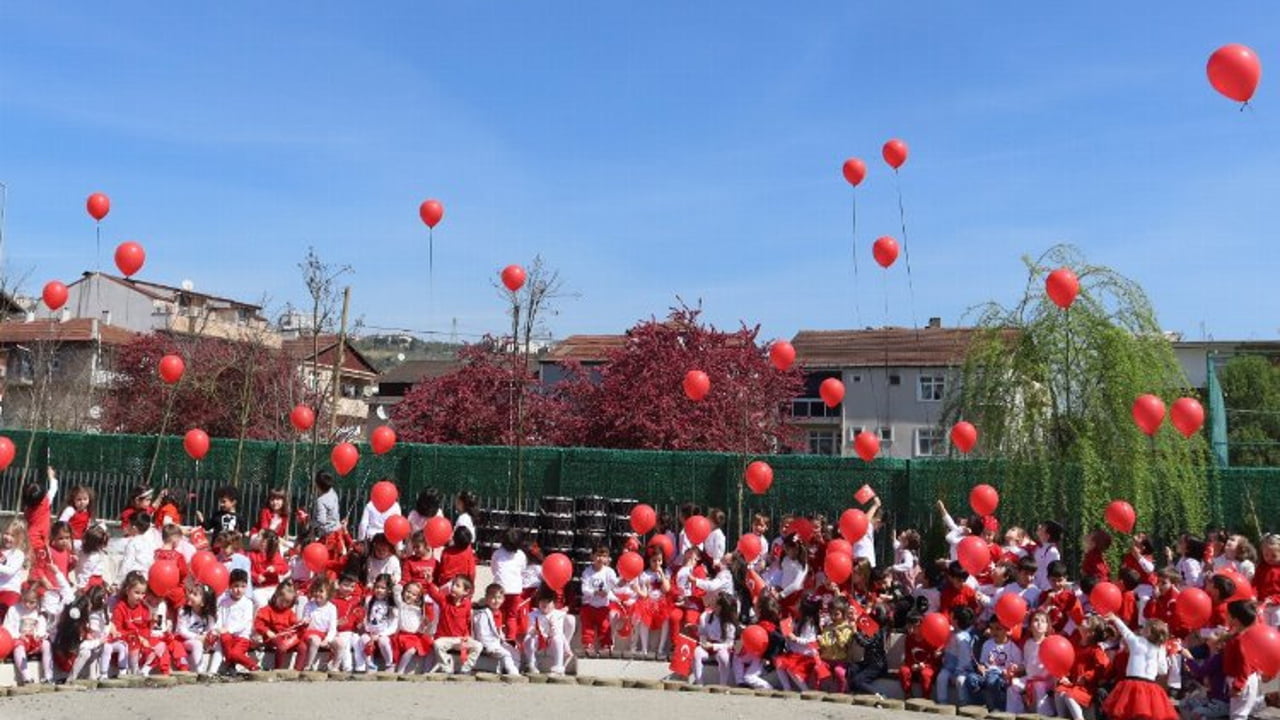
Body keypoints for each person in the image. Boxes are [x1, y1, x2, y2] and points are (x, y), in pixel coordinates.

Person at [1102, 614, 1177, 720]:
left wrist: (1116, 619)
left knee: (1127, 713)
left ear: (1149, 631)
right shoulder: (1159, 649)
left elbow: (1126, 632)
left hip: (1132, 685)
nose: (1142, 629)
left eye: (1144, 627)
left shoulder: (1137, 642)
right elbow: (1163, 670)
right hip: (1151, 688)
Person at [425, 574, 481, 674]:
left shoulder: (467, 604)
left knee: (478, 646)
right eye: (453, 584)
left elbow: (468, 622)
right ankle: (447, 667)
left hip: (460, 639)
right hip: (445, 638)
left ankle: (466, 668)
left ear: (466, 591)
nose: (453, 587)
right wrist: (429, 582)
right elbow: (434, 594)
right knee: (437, 644)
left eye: (457, 586)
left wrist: (467, 636)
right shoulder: (444, 600)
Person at [774, 596, 827, 692]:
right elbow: (791, 631)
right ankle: (787, 688)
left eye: (799, 604)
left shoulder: (810, 623)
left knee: (792, 670)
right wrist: (787, 631)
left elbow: (810, 641)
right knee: (779, 662)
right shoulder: (798, 620)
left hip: (806, 654)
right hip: (795, 652)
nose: (797, 605)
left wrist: (795, 639)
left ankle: (805, 690)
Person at [1223, 600, 1264, 720]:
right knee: (1238, 713)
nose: (1226, 616)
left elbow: (1245, 664)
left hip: (1242, 680)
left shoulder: (1241, 640)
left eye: (1228, 614)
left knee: (1238, 716)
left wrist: (1238, 686)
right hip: (1242, 679)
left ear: (1235, 620)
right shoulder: (1241, 635)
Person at [1008, 610, 1054, 714]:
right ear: (1030, 626)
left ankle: (1045, 714)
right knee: (1013, 687)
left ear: (1047, 626)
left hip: (1046, 680)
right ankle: (1016, 713)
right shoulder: (1028, 643)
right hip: (1030, 678)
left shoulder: (1050, 643)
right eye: (1036, 620)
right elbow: (1026, 663)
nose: (1039, 623)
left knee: (1038, 687)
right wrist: (1017, 667)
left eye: (1043, 621)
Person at [3, 585, 52, 684]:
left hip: (33, 640)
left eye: (32, 602)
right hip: (19, 639)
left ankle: (48, 676)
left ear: (37, 601)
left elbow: (42, 627)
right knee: (19, 647)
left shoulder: (39, 612)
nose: (28, 605)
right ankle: (27, 677)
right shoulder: (14, 609)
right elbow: (7, 627)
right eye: (25, 601)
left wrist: (39, 634)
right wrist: (18, 635)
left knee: (46, 644)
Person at [216, 569, 260, 673]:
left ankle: (253, 666)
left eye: (243, 586)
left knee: (235, 653)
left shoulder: (247, 603)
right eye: (236, 586)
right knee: (225, 637)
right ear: (230, 586)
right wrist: (217, 630)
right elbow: (220, 619)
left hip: (242, 637)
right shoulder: (224, 602)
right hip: (228, 636)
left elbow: (244, 623)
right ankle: (231, 666)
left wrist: (228, 630)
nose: (239, 590)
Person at [579, 545, 618, 657]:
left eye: (604, 556)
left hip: (603, 606)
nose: (600, 559)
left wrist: (609, 591)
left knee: (605, 626)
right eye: (598, 555)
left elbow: (614, 584)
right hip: (589, 605)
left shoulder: (609, 572)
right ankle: (588, 645)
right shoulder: (587, 572)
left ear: (607, 559)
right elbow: (584, 589)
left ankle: (606, 646)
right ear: (592, 556)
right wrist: (595, 592)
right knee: (587, 626)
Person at [473, 583, 521, 676]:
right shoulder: (482, 614)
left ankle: (511, 669)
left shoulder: (499, 613)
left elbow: (498, 631)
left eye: (499, 598)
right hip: (487, 644)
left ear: (503, 600)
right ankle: (513, 674)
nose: (496, 601)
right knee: (505, 654)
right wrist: (490, 645)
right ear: (487, 599)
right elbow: (482, 633)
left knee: (515, 652)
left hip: (497, 642)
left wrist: (504, 640)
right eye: (493, 598)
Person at [490, 529, 528, 643]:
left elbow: (494, 569)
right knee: (512, 617)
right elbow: (523, 569)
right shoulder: (521, 555)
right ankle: (511, 640)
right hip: (515, 590)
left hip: (500, 588)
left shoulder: (497, 554)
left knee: (498, 613)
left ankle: (496, 638)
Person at [109, 573, 151, 676]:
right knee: (133, 640)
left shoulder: (144, 608)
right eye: (137, 593)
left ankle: (145, 670)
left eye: (143, 593)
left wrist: (144, 637)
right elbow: (117, 630)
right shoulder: (120, 608)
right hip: (126, 642)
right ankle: (133, 669)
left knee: (161, 646)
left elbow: (146, 628)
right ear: (127, 591)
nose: (140, 597)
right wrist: (136, 636)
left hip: (141, 643)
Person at [523, 587, 571, 676]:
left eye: (548, 602)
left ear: (554, 604)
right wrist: (532, 631)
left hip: (552, 643)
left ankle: (558, 666)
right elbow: (529, 628)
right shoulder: (533, 614)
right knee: (529, 638)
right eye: (542, 602)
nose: (545, 604)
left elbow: (559, 632)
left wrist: (552, 627)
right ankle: (531, 664)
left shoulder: (558, 615)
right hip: (539, 643)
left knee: (557, 638)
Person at [691, 592, 737, 686]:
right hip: (707, 647)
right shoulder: (705, 616)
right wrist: (703, 640)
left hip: (721, 648)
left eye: (716, 603)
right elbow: (702, 632)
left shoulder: (729, 624)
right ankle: (699, 683)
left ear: (721, 607)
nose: (713, 604)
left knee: (723, 657)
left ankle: (723, 685)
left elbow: (730, 643)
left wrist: (714, 646)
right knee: (697, 652)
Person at [254, 583, 301, 670]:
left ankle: (298, 670)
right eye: (282, 600)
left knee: (303, 647)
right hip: (273, 637)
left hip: (286, 637)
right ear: (276, 595)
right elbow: (258, 623)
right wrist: (267, 631)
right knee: (282, 647)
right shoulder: (267, 609)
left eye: (287, 602)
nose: (284, 604)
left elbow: (295, 624)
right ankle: (277, 669)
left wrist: (301, 624)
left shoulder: (289, 612)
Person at [937, 605, 978, 705]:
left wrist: (958, 672)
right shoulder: (951, 632)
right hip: (948, 666)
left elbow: (965, 658)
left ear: (956, 620)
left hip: (962, 669)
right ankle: (942, 701)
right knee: (941, 677)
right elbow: (948, 646)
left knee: (960, 681)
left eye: (952, 617)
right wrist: (941, 652)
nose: (949, 618)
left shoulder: (962, 638)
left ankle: (964, 702)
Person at [357, 574, 397, 672]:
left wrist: (380, 635)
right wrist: (367, 629)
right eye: (377, 587)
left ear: (389, 590)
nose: (379, 590)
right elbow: (366, 617)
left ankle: (389, 663)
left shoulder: (392, 604)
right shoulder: (369, 600)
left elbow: (394, 624)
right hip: (371, 632)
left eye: (383, 588)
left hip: (385, 633)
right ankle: (370, 664)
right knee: (363, 639)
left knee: (383, 641)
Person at [391, 581, 434, 674]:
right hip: (405, 636)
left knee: (431, 644)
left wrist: (425, 625)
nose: (410, 595)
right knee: (411, 650)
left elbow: (421, 626)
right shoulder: (402, 605)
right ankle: (400, 670)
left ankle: (427, 669)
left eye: (414, 594)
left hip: (416, 636)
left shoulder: (419, 610)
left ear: (418, 598)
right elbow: (396, 592)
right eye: (408, 592)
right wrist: (399, 583)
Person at [176, 584, 219, 673]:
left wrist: (208, 637)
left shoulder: (208, 617)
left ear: (203, 603)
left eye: (195, 594)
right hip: (183, 640)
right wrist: (197, 637)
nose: (190, 596)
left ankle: (214, 670)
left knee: (218, 644)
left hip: (201, 640)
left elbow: (211, 629)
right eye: (191, 592)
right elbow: (181, 630)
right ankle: (200, 670)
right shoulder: (184, 612)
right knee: (197, 644)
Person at [296, 580, 339, 671]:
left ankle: (334, 667)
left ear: (328, 593)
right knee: (315, 640)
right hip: (310, 633)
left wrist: (327, 640)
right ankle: (308, 665)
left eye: (321, 591)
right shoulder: (309, 605)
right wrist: (305, 621)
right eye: (315, 591)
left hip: (324, 634)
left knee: (341, 643)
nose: (317, 593)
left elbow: (332, 627)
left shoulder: (332, 608)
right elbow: (305, 619)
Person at [900, 611, 941, 699]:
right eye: (910, 626)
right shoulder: (909, 638)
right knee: (904, 671)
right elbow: (908, 655)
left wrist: (925, 665)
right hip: (914, 666)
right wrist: (912, 665)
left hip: (928, 666)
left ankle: (926, 697)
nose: (911, 630)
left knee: (925, 674)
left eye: (914, 627)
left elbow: (934, 658)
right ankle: (908, 694)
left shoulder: (929, 638)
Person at [312, 472, 343, 539]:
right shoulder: (333, 493)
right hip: (338, 531)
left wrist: (312, 524)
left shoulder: (321, 500)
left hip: (328, 535)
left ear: (318, 485)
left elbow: (321, 520)